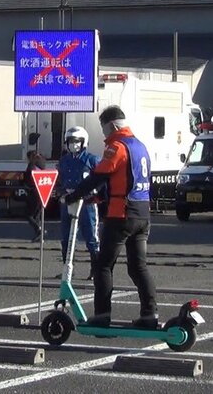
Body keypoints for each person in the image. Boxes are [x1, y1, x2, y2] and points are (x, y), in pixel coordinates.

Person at [65, 106, 158, 328]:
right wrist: (99, 199)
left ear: (113, 126)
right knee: (138, 267)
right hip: (143, 213)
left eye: (104, 129)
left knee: (103, 265)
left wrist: (73, 196)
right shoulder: (141, 146)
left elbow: (99, 176)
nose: (104, 135)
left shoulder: (117, 147)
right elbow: (126, 179)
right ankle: (149, 314)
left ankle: (102, 315)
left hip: (122, 214)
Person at [57, 126, 100, 280]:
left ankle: (96, 270)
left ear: (83, 142)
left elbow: (101, 181)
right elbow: (59, 181)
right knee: (66, 237)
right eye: (70, 141)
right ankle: (68, 269)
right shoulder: (64, 161)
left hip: (86, 203)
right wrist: (60, 193)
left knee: (91, 237)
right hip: (67, 201)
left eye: (76, 141)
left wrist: (96, 194)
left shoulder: (92, 160)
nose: (73, 144)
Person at [24, 150, 46, 242]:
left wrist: (26, 187)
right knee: (37, 216)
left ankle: (39, 230)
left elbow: (29, 181)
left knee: (29, 216)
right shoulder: (40, 166)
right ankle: (39, 236)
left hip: (33, 193)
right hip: (41, 193)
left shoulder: (31, 167)